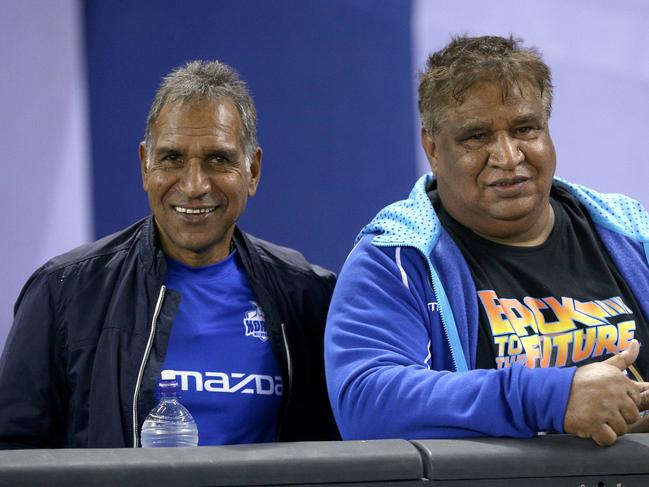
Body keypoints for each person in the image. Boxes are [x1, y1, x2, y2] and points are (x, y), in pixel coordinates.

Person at [325, 35, 649, 447]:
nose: (509, 157)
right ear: (432, 148)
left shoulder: (633, 233)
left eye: (525, 129)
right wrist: (552, 398)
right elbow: (366, 404)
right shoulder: (395, 257)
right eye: (477, 136)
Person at [0, 60, 339, 448]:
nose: (194, 185)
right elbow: (12, 454)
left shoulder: (309, 297)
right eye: (172, 158)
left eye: (218, 159)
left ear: (253, 171)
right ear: (145, 165)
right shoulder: (63, 293)